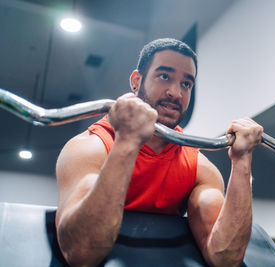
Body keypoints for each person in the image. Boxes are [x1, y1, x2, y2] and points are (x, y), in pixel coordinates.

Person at [55, 38, 263, 267]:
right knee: (88, 188)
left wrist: (242, 160)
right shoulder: (90, 148)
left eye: (186, 84)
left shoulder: (198, 169)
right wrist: (127, 141)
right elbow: (80, 253)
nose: (176, 93)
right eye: (164, 76)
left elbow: (226, 259)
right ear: (136, 81)